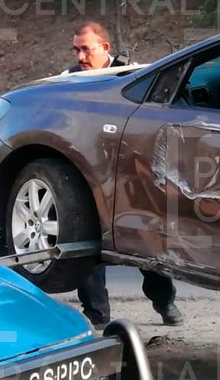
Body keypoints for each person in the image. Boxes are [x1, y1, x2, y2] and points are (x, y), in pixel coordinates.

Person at [68, 21, 184, 327]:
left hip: (129, 178)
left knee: (145, 245)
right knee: (86, 249)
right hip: (89, 177)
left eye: (86, 49)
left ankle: (165, 303)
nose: (80, 56)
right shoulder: (69, 82)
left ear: (105, 49)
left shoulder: (131, 77)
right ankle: (97, 315)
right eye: (77, 50)